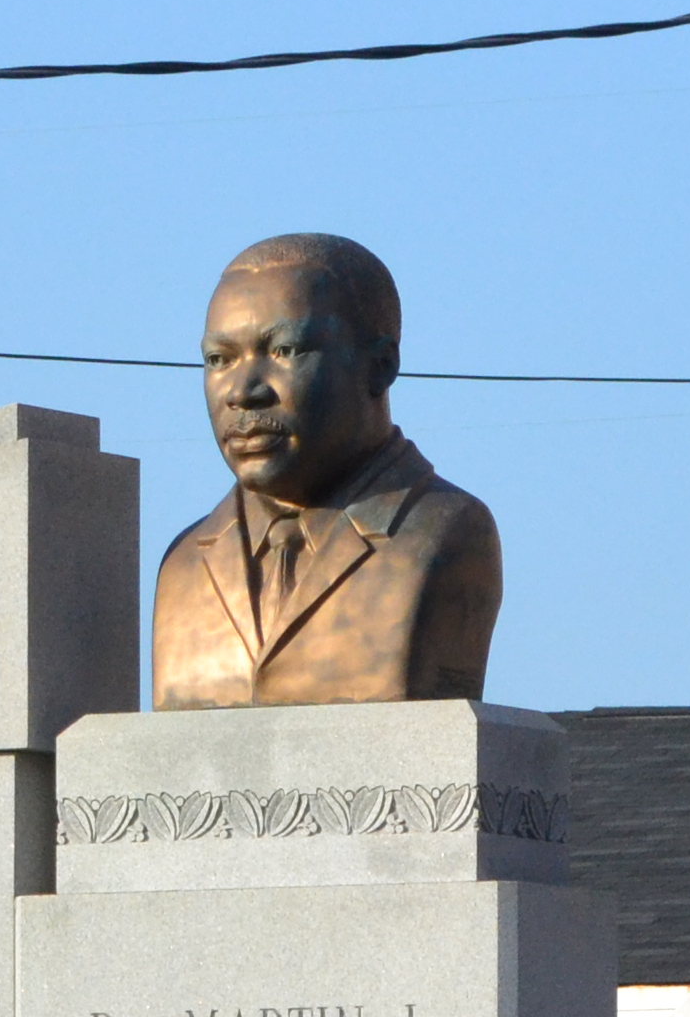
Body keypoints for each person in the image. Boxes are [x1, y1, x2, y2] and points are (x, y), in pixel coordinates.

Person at [149, 231, 502, 711]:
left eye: (285, 351)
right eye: (219, 359)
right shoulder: (183, 564)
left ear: (379, 366)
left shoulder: (445, 534)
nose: (243, 391)